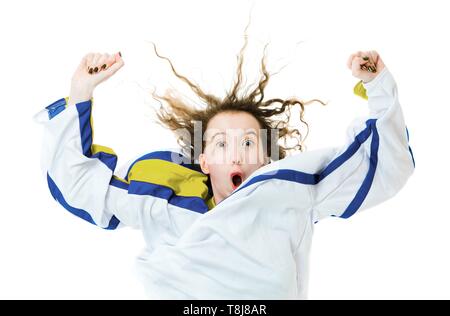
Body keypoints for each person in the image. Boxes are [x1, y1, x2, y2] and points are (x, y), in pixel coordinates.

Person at [34, 35, 415, 299]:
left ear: (266, 158)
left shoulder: (293, 193)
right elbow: (78, 184)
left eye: (248, 143)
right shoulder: (161, 203)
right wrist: (80, 92)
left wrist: (378, 86)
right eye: (221, 143)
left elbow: (380, 167)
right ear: (203, 162)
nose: (236, 154)